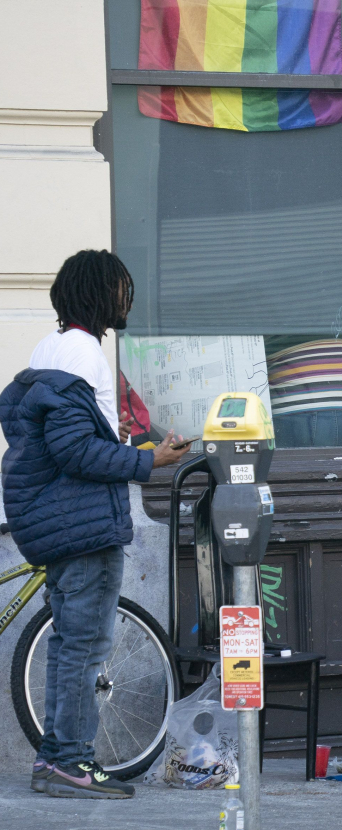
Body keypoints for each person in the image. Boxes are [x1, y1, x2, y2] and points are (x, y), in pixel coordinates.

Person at [0, 250, 188, 799]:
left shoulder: (48, 349)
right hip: (83, 523)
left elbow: (62, 440)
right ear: (103, 294)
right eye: (122, 288)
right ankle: (70, 764)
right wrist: (149, 462)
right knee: (83, 649)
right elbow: (75, 449)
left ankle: (56, 761)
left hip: (56, 519)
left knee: (68, 645)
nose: (127, 299)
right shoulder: (84, 353)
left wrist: (128, 446)